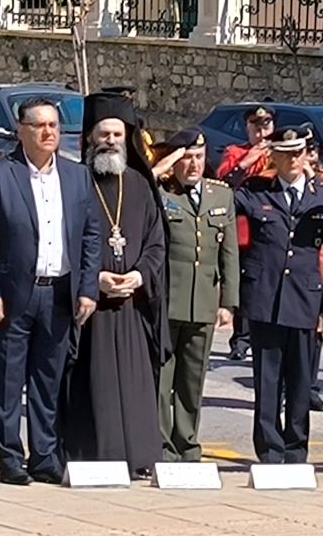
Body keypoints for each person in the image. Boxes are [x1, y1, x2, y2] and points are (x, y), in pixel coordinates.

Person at [0, 98, 101, 485]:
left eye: (54, 126)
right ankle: (10, 457)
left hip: (59, 292)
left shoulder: (77, 176)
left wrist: (88, 289)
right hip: (13, 294)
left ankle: (44, 456)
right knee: (7, 381)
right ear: (21, 131)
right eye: (40, 125)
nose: (49, 132)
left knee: (48, 381)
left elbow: (90, 235)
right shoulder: (0, 174)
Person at [63, 97, 167, 477]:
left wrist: (139, 275)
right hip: (91, 308)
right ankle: (95, 457)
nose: (110, 140)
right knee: (96, 386)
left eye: (117, 134)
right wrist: (95, 279)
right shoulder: (75, 183)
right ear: (90, 138)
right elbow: (63, 240)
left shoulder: (139, 184)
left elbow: (157, 242)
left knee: (136, 386)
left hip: (132, 306)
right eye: (103, 133)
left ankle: (140, 457)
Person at [234, 126, 323, 464]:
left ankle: (296, 449)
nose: (293, 159)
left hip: (305, 298)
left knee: (300, 381)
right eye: (285, 154)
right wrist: (244, 164)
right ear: (274, 156)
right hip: (265, 296)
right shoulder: (256, 191)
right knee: (267, 380)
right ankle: (269, 449)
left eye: (298, 152)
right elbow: (222, 193)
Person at [154, 128, 239, 462]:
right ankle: (162, 444)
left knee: (192, 379)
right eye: (186, 158)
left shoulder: (221, 196)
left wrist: (228, 302)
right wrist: (162, 167)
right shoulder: (161, 192)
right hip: (168, 300)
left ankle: (187, 442)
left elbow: (229, 253)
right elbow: (141, 189)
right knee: (163, 379)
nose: (193, 165)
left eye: (199, 157)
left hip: (203, 301)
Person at [216, 105, 275, 363]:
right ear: (248, 128)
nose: (261, 134)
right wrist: (246, 162)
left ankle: (263, 337)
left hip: (272, 229)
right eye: (256, 128)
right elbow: (222, 185)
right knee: (242, 284)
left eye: (266, 127)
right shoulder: (235, 152)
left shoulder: (280, 152)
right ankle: (240, 339)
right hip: (243, 231)